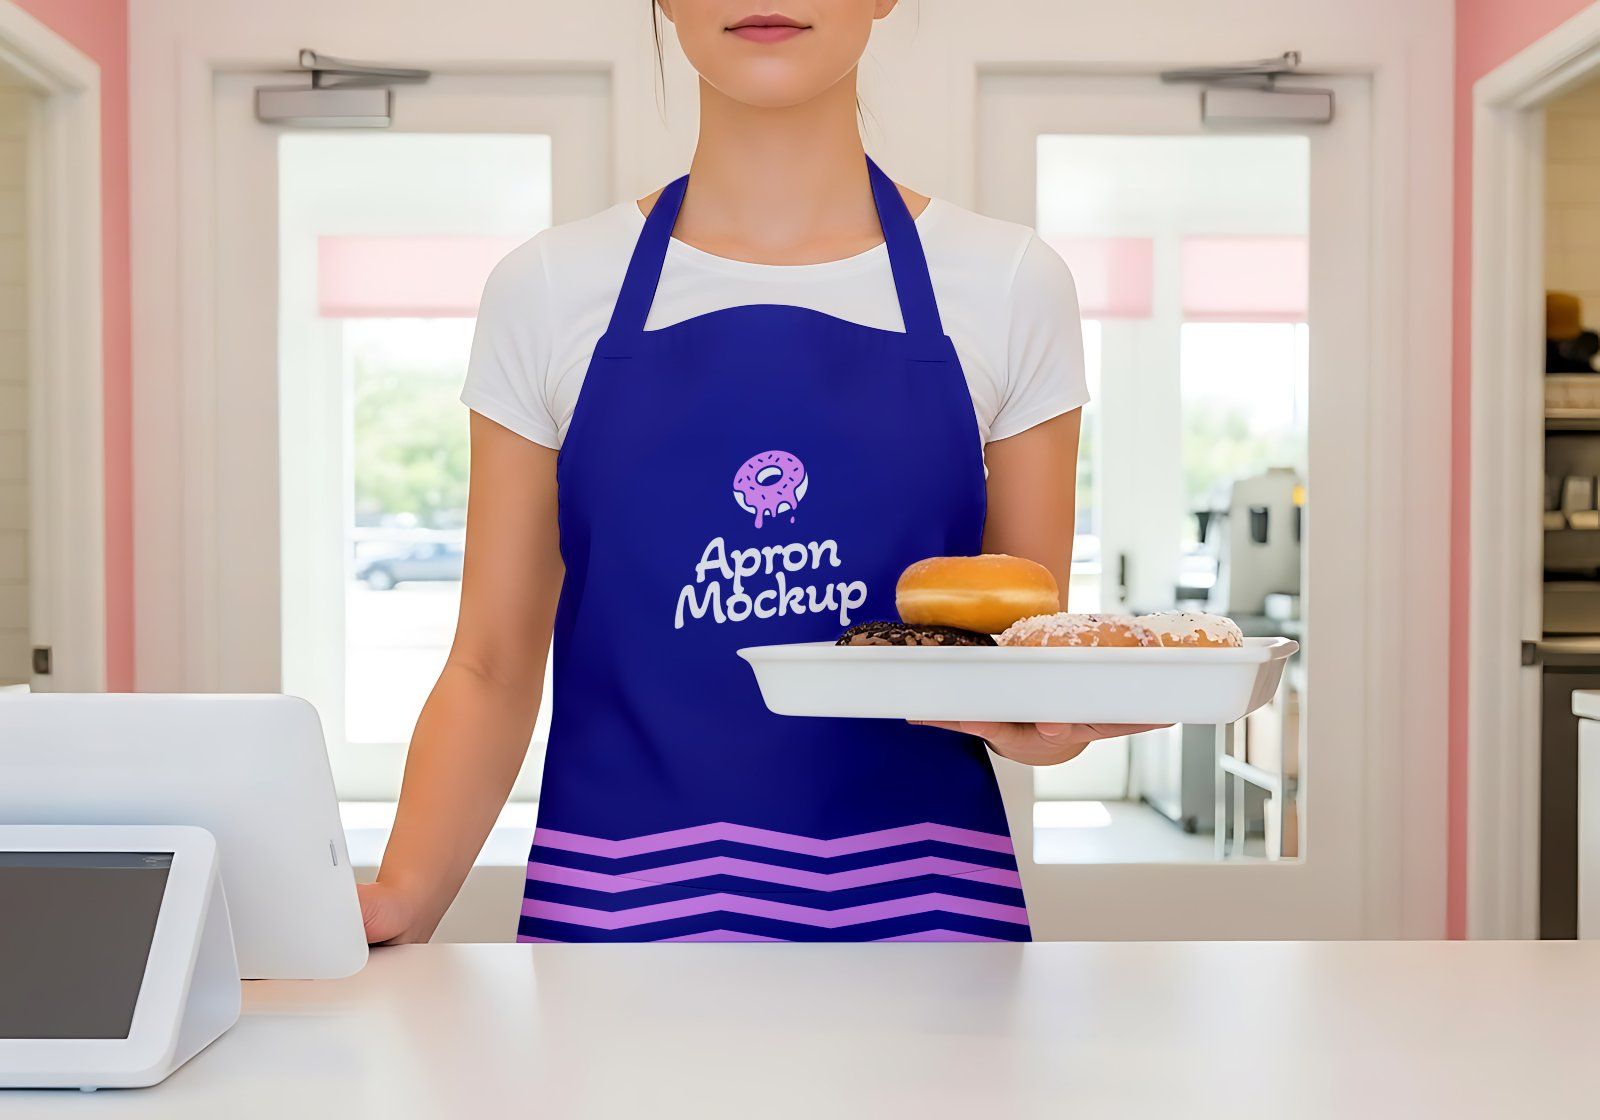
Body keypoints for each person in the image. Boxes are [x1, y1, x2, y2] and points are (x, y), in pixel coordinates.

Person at [360, 0, 1148, 945]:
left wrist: (1050, 716)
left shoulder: (1010, 282)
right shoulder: (548, 290)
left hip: (925, 937)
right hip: (616, 926)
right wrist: (399, 897)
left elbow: (1016, 643)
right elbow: (489, 667)